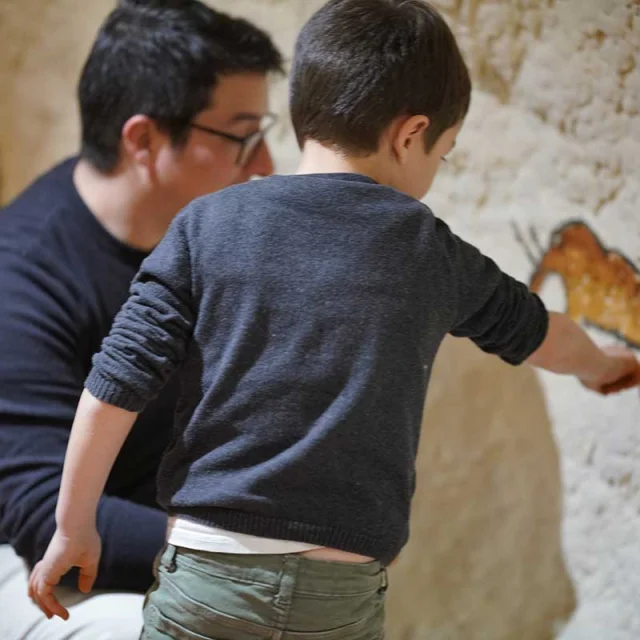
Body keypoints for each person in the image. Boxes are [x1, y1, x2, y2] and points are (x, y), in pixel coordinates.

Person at [28, 0, 640, 638]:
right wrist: (604, 368)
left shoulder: (208, 225)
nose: (437, 166)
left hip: (209, 578)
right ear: (411, 135)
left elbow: (115, 383)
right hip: (339, 593)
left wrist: (74, 526)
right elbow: (540, 332)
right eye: (445, 152)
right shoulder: (431, 251)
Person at [0, 0, 283, 638]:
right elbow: (42, 512)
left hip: (177, 545)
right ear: (144, 140)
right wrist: (263, 558)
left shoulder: (218, 238)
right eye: (242, 137)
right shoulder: (21, 277)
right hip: (39, 563)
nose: (264, 165)